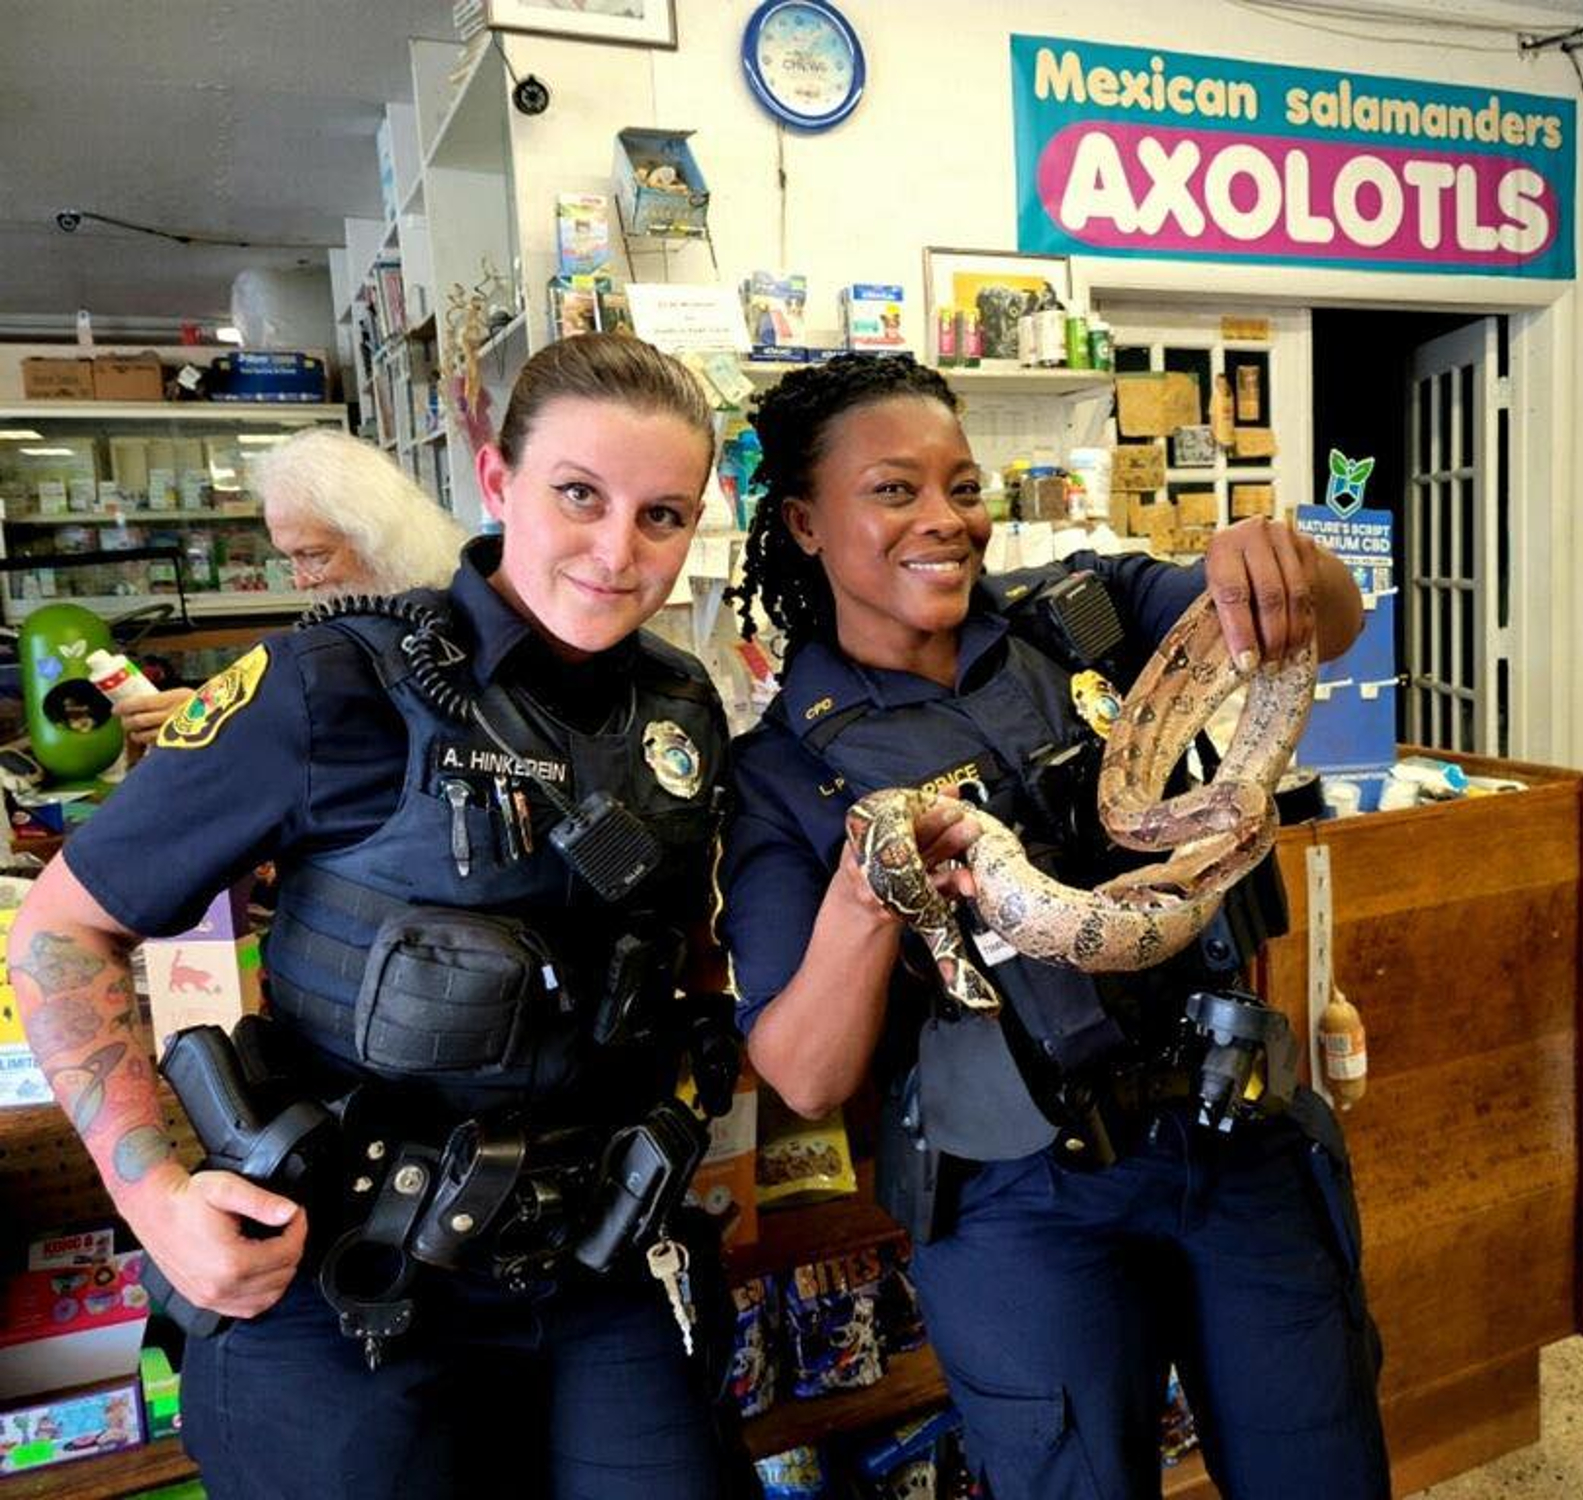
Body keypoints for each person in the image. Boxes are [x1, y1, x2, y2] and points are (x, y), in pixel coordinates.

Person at [9, 333, 746, 1499]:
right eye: (578, 496)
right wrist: (154, 1200)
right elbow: (61, 927)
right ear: (498, 485)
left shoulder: (680, 702)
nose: (617, 551)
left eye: (662, 514)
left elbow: (686, 949)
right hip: (351, 1272)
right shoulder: (326, 685)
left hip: (598, 1264)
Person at [720, 354, 1390, 1499]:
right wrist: (861, 893)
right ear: (803, 522)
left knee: (1321, 1465)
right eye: (893, 490)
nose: (944, 521)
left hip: (1231, 1126)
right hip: (1016, 1198)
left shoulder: (1081, 614)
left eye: (963, 487)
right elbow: (805, 1072)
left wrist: (1284, 561)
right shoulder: (784, 768)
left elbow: (1320, 627)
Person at [114, 429, 469, 747]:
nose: (300, 581)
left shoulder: (448, 622)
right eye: (290, 559)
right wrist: (211, 715)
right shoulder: (365, 625)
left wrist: (226, 723)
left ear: (379, 541)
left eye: (314, 555)